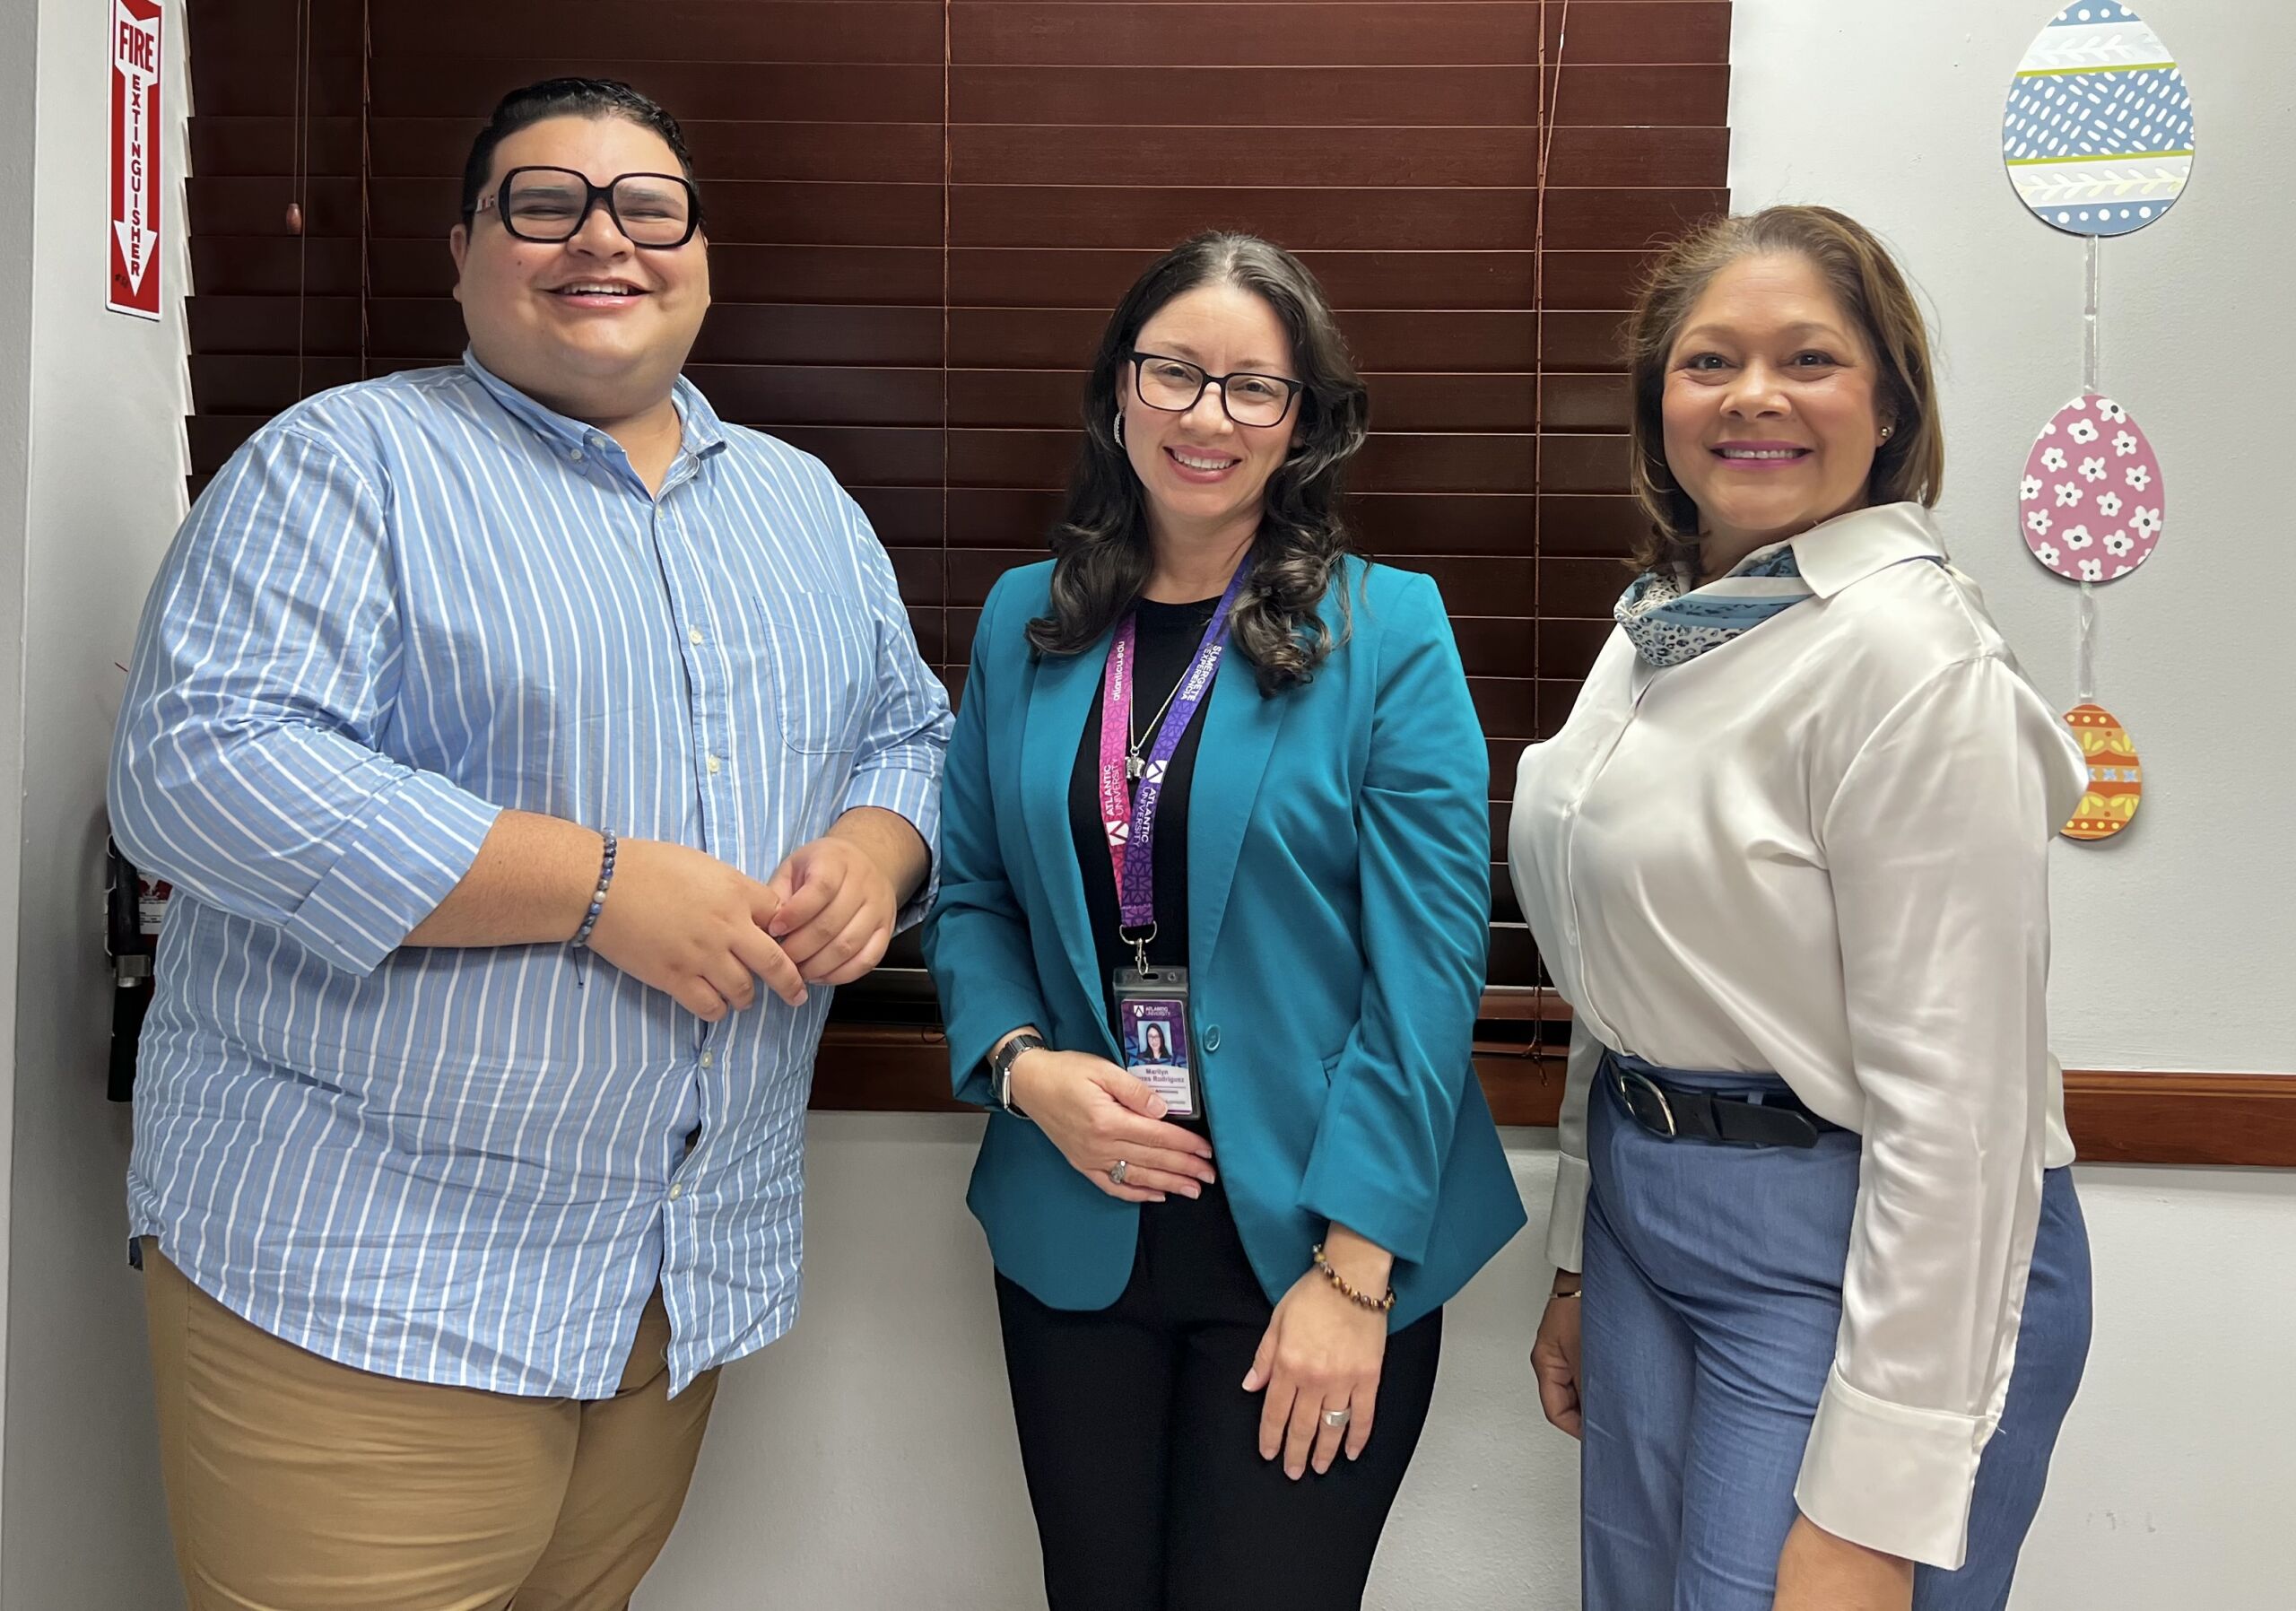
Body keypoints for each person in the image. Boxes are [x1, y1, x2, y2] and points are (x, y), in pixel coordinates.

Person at [109, 78, 949, 1610]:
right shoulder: (343, 465)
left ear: (700, 253)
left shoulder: (803, 508)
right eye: (542, 203)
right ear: (463, 251)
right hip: (366, 1276)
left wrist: (881, 851)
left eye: (646, 206)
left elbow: (910, 730)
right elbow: (199, 770)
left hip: (670, 1283)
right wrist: (601, 890)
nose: (599, 240)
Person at [924, 231, 1525, 1609]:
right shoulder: (1030, 619)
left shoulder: (1389, 630)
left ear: (1301, 422)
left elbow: (1429, 973)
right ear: (1118, 394)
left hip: (1317, 1239)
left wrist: (1357, 1275)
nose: (1209, 416)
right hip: (1082, 1222)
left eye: (1255, 388)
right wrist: (1021, 1070)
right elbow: (971, 896)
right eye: (1176, 374)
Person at [1509, 205, 2092, 1611]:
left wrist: (1875, 1510)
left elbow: (1963, 1121)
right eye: (1709, 362)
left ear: (1886, 404)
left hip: (1855, 1244)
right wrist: (1586, 1257)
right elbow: (1624, 971)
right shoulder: (1663, 632)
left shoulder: (1914, 660)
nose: (1754, 396)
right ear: (1659, 408)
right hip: (1655, 1215)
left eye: (1808, 360)